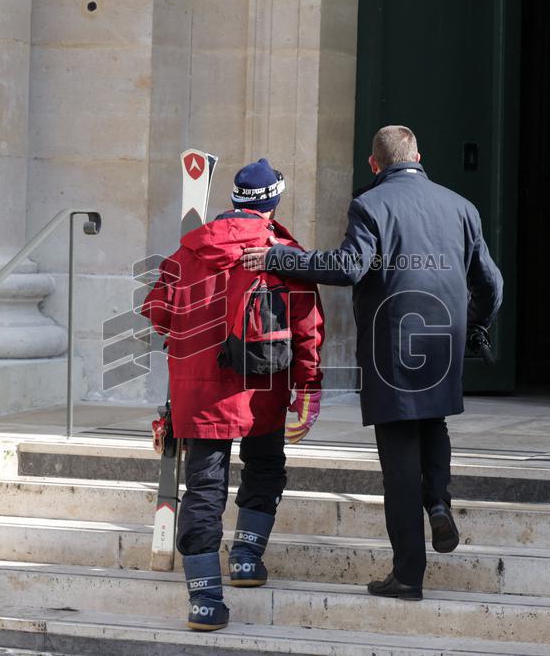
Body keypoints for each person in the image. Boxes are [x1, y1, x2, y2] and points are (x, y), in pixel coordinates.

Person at [242, 126, 502, 601]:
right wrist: (474, 321)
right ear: (419, 156)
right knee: (433, 422)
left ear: (374, 164)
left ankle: (407, 575)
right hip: (443, 336)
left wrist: (279, 258)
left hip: (391, 341)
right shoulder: (462, 207)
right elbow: (491, 283)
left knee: (400, 461)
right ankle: (439, 503)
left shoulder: (370, 204)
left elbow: (349, 267)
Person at [142, 158, 324, 630]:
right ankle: (245, 557)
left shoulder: (188, 252)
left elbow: (157, 313)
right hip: (261, 391)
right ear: (273, 203)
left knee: (203, 491)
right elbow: (307, 329)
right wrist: (308, 388)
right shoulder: (284, 253)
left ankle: (204, 602)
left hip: (198, 395)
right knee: (264, 467)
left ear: (235, 201)